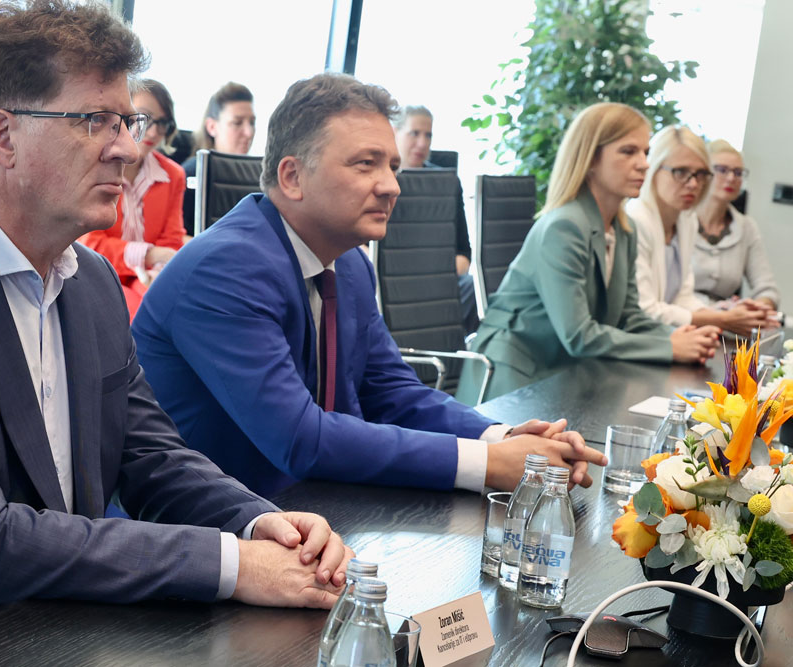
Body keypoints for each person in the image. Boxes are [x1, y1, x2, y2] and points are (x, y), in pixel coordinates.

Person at [0, 3, 350, 663]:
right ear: (1, 135)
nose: (130, 148)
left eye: (127, 122)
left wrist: (259, 523)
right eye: (95, 121)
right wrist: (231, 564)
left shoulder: (90, 281)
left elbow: (151, 457)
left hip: (52, 624)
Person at [131, 73, 604, 499]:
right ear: (292, 177)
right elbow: (301, 439)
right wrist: (488, 464)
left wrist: (503, 439)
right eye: (365, 164)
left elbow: (390, 391)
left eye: (392, 166)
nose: (392, 186)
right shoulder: (225, 268)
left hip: (312, 509)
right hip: (199, 531)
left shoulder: (351, 264)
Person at [460, 104, 720, 401]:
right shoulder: (564, 227)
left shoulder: (624, 230)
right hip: (514, 378)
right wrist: (669, 348)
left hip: (565, 371)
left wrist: (676, 336)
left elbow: (629, 317)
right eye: (628, 152)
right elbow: (578, 335)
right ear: (591, 158)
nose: (644, 164)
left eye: (646, 152)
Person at [626, 126, 776, 336]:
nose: (693, 183)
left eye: (700, 174)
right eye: (681, 172)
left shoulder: (686, 220)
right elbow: (644, 309)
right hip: (642, 337)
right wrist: (722, 319)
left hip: (670, 333)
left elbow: (682, 296)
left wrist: (735, 315)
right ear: (653, 168)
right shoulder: (635, 220)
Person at [79, 79, 186, 317]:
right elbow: (89, 244)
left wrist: (156, 271)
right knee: (139, 312)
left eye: (162, 123)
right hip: (99, 275)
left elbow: (171, 242)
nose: (154, 131)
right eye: (144, 117)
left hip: (148, 277)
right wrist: (150, 254)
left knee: (170, 307)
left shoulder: (173, 175)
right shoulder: (96, 167)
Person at [394, 105, 477, 334]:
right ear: (395, 133)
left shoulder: (448, 183)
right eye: (414, 133)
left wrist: (434, 274)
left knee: (471, 288)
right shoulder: (382, 181)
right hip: (391, 281)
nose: (422, 143)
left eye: (428, 135)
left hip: (440, 282)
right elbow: (361, 247)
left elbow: (463, 254)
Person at [693, 139, 780, 310]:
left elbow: (768, 289)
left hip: (727, 318)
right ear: (703, 174)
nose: (731, 178)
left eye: (738, 172)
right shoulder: (680, 218)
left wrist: (754, 308)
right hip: (681, 316)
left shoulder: (747, 227)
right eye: (722, 170)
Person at [181, 82, 256, 236]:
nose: (249, 132)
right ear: (212, 127)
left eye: (252, 123)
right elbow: (175, 236)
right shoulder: (191, 173)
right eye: (237, 123)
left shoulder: (259, 176)